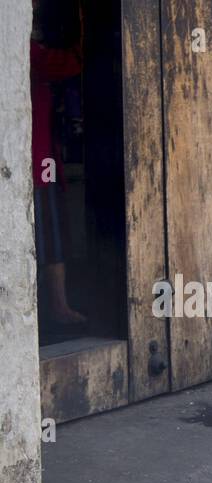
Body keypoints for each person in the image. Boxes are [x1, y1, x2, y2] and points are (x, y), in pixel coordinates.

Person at [31, 5, 86, 328]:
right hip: (40, 163)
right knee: (50, 233)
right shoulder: (31, 54)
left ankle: (57, 305)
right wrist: (84, 39)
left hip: (45, 158)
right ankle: (58, 308)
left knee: (52, 231)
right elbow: (64, 64)